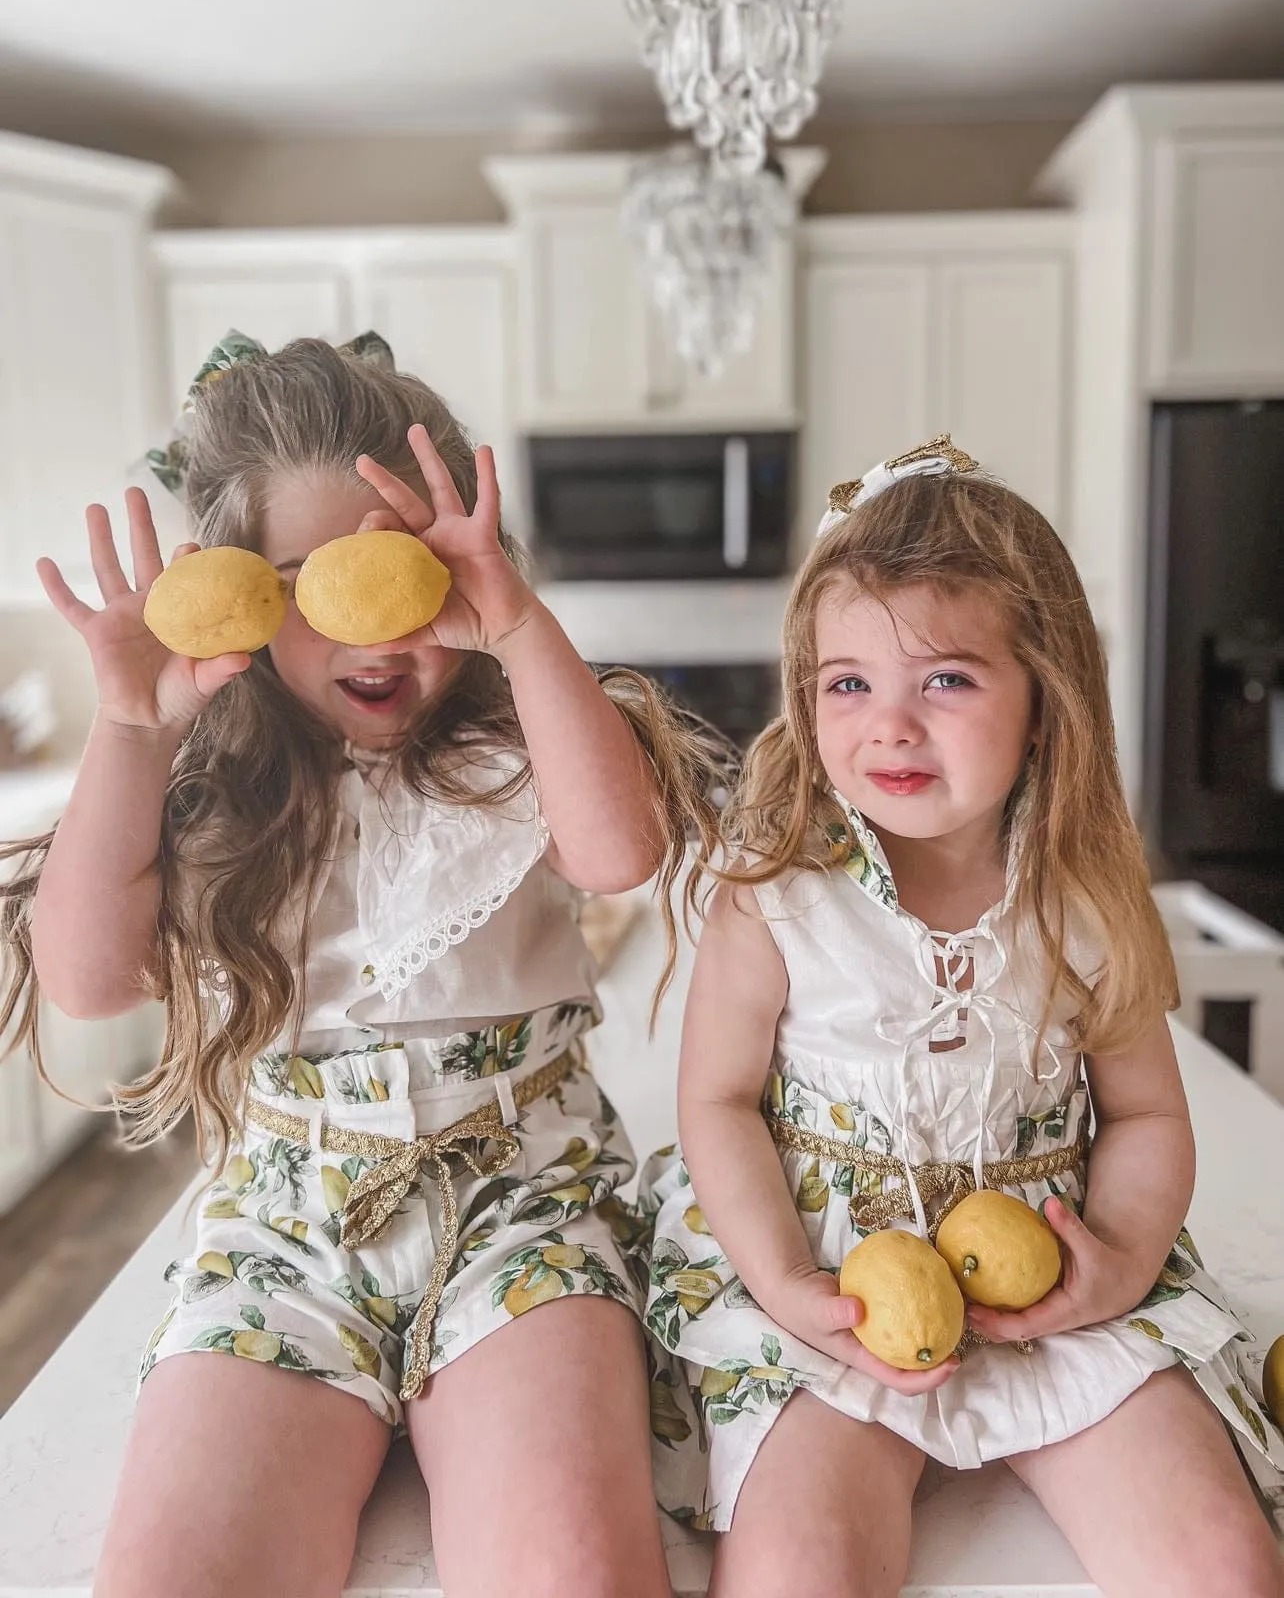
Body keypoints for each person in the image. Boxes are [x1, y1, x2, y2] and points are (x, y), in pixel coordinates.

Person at [1, 332, 721, 1598]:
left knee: (574, 1574)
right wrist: (125, 725)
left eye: (394, 571)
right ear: (237, 587)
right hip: (283, 1225)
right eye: (305, 580)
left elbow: (619, 854)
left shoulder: (507, 751)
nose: (369, 618)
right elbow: (87, 978)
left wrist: (512, 619)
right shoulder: (214, 788)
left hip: (522, 1201)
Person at [640, 436, 1284, 1598]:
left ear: (1045, 697)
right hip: (834, 1279)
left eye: (944, 679)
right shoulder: (777, 886)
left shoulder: (1083, 894)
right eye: (849, 683)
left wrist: (1123, 1259)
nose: (888, 724)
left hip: (1050, 1285)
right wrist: (784, 1278)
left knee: (1225, 1563)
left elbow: (1143, 1112)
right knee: (794, 1572)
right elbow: (717, 1100)